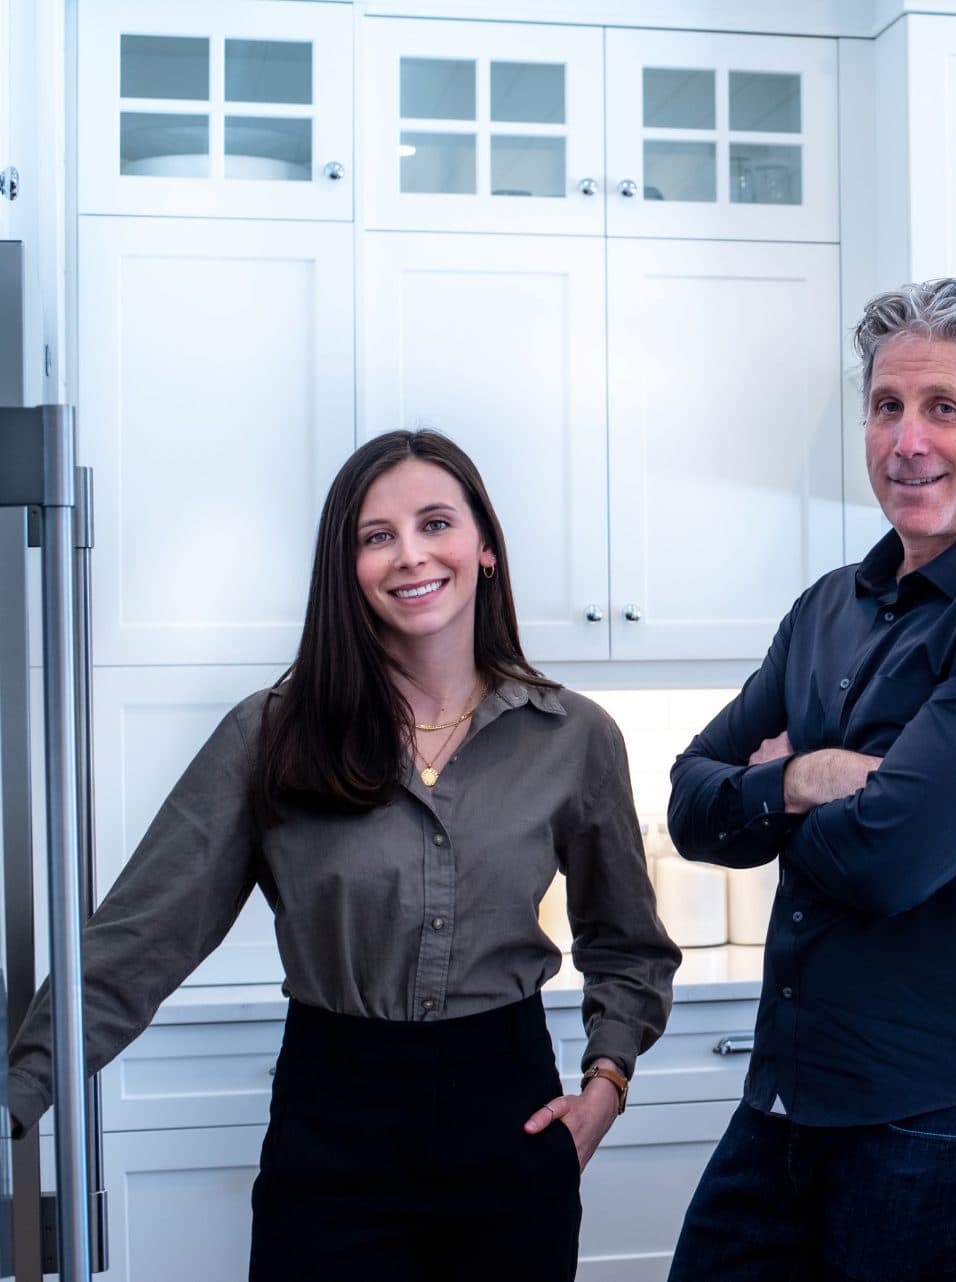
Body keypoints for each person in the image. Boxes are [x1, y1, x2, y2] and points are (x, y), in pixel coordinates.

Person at [7, 430, 680, 1281]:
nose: (410, 556)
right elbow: (142, 938)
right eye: (376, 536)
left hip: (507, 1123)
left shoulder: (574, 736)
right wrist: (17, 1097)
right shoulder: (271, 734)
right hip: (331, 1129)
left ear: (485, 549)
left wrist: (605, 1087)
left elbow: (628, 946)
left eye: (436, 523)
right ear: (348, 568)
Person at [666, 278, 956, 1281]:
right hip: (794, 1095)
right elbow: (692, 805)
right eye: (886, 406)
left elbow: (885, 858)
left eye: (943, 408)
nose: (906, 439)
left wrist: (794, 802)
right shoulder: (830, 607)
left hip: (950, 1117)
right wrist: (808, 781)